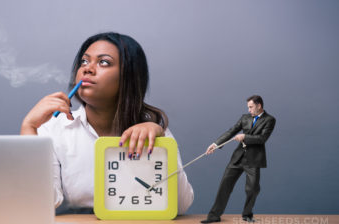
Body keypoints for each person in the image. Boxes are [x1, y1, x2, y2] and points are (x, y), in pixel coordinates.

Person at [20, 32, 194, 214]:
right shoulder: (55, 129)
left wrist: (160, 142)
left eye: (104, 62)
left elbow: (181, 205)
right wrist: (29, 128)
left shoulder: (151, 131)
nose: (87, 69)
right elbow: (42, 201)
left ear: (129, 76)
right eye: (84, 62)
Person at [201, 95, 276, 223]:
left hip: (253, 160)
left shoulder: (270, 120)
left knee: (252, 189)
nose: (249, 110)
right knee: (225, 185)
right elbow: (231, 131)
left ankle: (247, 215)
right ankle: (214, 215)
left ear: (259, 106)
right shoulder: (245, 118)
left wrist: (245, 137)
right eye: (248, 107)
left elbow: (262, 139)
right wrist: (216, 144)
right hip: (238, 158)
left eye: (251, 107)